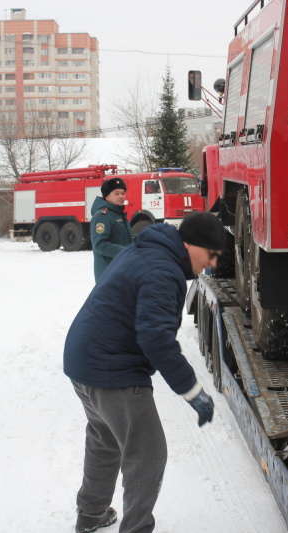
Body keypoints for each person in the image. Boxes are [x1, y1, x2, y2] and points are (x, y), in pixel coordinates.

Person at [64, 211, 226, 533]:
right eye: (212, 255)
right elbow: (156, 340)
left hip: (83, 360)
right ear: (191, 245)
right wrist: (192, 391)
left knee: (105, 437)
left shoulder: (151, 250)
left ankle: (92, 513)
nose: (213, 264)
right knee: (148, 454)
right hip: (111, 367)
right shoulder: (163, 269)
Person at [90, 177, 132, 281]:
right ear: (107, 197)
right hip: (109, 274)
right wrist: (127, 252)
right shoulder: (102, 216)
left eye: (122, 193)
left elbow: (122, 239)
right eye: (116, 194)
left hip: (121, 269)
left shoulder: (117, 214)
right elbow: (100, 245)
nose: (121, 196)